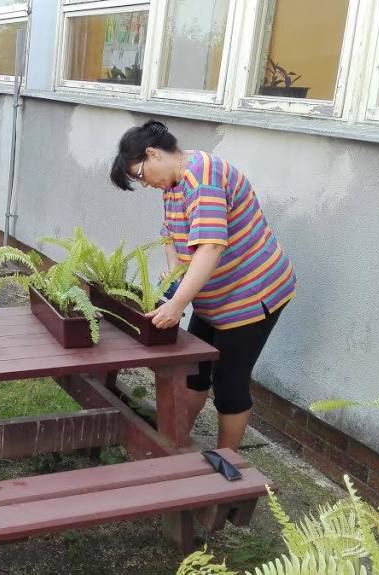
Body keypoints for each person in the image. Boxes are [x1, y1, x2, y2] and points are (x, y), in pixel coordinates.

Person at [110, 120, 296, 451]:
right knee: (193, 369)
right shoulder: (173, 182)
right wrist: (173, 283)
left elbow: (210, 247)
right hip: (214, 295)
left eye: (139, 175)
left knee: (229, 384)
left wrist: (178, 304)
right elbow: (171, 237)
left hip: (252, 293)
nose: (144, 184)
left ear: (153, 154)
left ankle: (226, 461)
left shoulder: (203, 178)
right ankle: (177, 442)